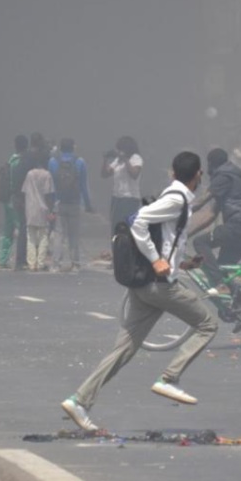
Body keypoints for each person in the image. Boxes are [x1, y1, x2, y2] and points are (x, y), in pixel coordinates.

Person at [61, 151, 218, 432]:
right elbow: (138, 221)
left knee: (124, 349)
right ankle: (169, 379)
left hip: (146, 286)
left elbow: (165, 238)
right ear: (198, 176)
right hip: (159, 287)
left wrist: (181, 263)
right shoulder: (176, 199)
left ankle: (79, 400)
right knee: (208, 324)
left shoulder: (175, 198)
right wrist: (157, 260)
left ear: (172, 172)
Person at [189, 148, 241, 291]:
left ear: (211, 163)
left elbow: (200, 202)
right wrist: (188, 233)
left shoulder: (223, 177)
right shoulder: (229, 178)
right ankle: (235, 305)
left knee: (200, 242)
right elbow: (211, 215)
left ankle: (219, 285)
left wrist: (178, 210)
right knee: (221, 268)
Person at [48, 138, 94, 271]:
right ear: (73, 147)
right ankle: (75, 263)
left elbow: (50, 185)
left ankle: (56, 264)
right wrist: (88, 205)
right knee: (73, 234)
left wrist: (50, 204)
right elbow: (84, 186)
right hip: (74, 202)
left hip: (59, 202)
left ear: (61, 148)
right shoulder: (80, 162)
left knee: (59, 234)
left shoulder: (52, 162)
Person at [13, 132, 50, 270]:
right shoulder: (36, 158)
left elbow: (17, 178)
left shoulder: (25, 157)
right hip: (30, 199)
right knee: (32, 230)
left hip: (23, 197)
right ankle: (25, 260)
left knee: (28, 229)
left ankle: (27, 260)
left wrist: (18, 196)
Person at [21, 155, 56, 271]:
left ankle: (31, 264)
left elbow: (24, 191)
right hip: (43, 209)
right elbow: (49, 194)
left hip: (30, 208)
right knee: (43, 237)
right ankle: (40, 263)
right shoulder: (47, 175)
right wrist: (51, 210)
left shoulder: (29, 174)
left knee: (30, 237)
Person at [0, 135, 27, 269]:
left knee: (7, 230)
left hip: (7, 200)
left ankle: (3, 259)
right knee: (22, 228)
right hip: (16, 199)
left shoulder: (10, 159)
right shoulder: (21, 162)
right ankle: (21, 259)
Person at [103, 135, 142, 234]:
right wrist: (105, 159)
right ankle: (116, 246)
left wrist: (124, 159)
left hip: (130, 199)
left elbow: (134, 174)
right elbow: (105, 174)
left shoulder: (136, 158)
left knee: (127, 227)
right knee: (115, 226)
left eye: (120, 149)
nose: (118, 152)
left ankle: (127, 247)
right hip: (117, 198)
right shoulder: (118, 160)